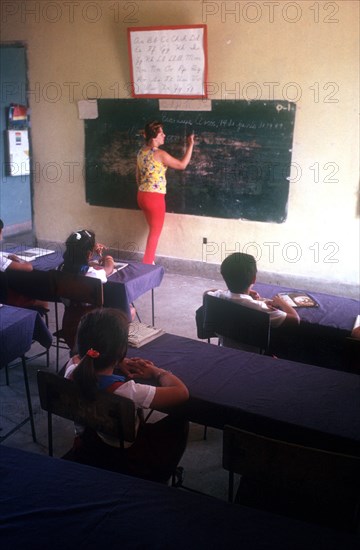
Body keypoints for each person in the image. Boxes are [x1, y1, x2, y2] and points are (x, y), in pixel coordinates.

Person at [64, 307, 189, 484]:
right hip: (127, 459)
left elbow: (77, 358)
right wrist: (157, 372)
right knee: (180, 422)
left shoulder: (70, 373)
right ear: (122, 351)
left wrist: (118, 361)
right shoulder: (128, 392)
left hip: (86, 449)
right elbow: (181, 392)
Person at [205, 252, 300, 349]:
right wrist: (280, 301)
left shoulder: (216, 296)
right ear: (254, 279)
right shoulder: (259, 308)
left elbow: (207, 292)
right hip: (254, 356)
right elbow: (295, 320)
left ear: (224, 277)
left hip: (225, 349)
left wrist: (242, 292)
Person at [136, 120, 195, 264]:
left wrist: (144, 189)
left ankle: (149, 262)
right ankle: (147, 264)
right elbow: (182, 165)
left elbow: (137, 175)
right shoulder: (160, 154)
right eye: (161, 133)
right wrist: (191, 144)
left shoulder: (141, 152)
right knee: (155, 233)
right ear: (154, 136)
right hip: (154, 198)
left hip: (142, 195)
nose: (164, 135)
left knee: (152, 230)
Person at [59, 229, 117, 351]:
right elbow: (108, 269)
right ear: (89, 254)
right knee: (130, 311)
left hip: (68, 325)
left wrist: (88, 253)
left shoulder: (60, 269)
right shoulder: (93, 276)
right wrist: (109, 258)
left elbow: (78, 261)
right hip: (90, 329)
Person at [0, 218, 47, 309]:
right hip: (5, 299)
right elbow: (28, 268)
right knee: (43, 302)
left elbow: (4, 255)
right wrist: (19, 259)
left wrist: (10, 256)